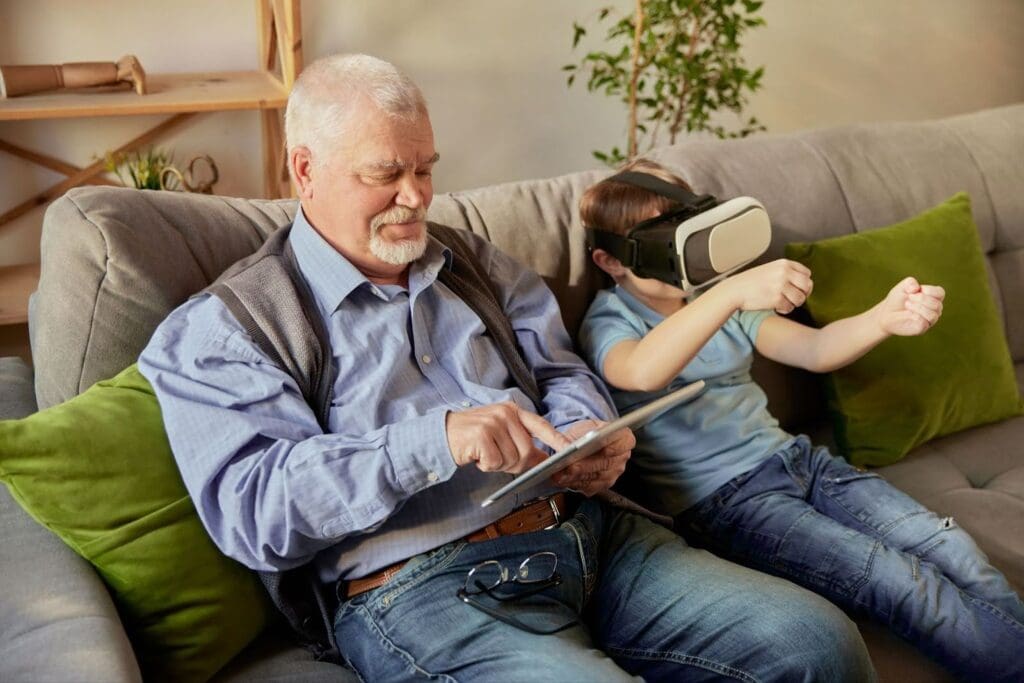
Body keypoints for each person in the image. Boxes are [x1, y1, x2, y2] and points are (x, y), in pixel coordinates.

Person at [138, 54, 875, 681]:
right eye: (386, 173)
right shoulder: (224, 328)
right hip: (418, 589)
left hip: (590, 534)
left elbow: (559, 368)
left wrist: (585, 431)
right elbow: (256, 512)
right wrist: (437, 438)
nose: (417, 196)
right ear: (304, 169)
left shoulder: (474, 261)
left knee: (819, 643)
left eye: (426, 168)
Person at [577, 158, 1024, 681]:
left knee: (951, 547)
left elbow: (815, 350)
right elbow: (643, 370)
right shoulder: (613, 321)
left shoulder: (720, 300)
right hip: (729, 503)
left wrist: (883, 317)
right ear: (610, 261)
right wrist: (730, 293)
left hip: (799, 460)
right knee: (900, 581)